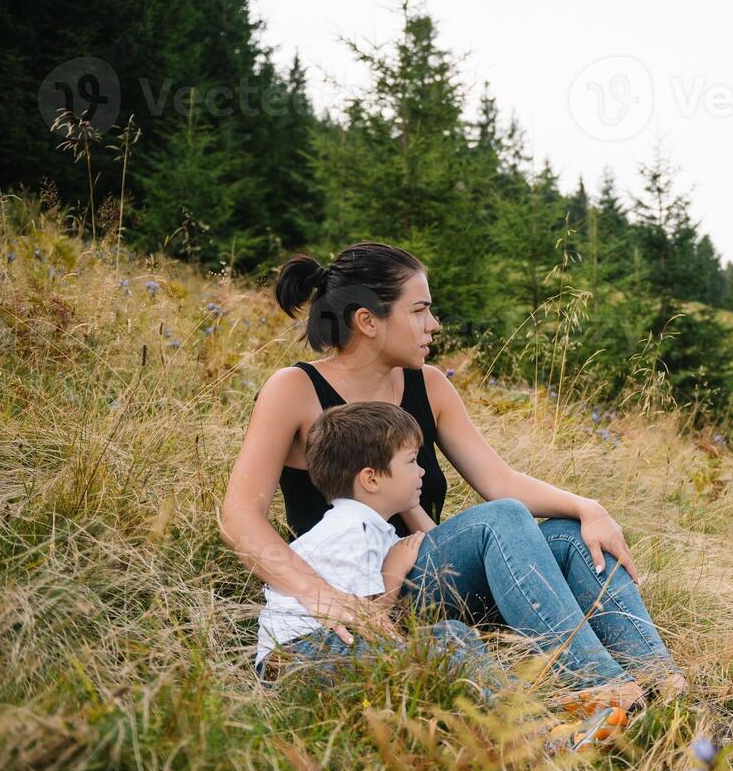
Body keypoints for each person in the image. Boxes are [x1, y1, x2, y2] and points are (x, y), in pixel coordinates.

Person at [221, 242, 686, 712]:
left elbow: (499, 479)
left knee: (570, 536)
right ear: (367, 321)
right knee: (497, 520)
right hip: (360, 595)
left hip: (431, 577)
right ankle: (599, 688)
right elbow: (239, 516)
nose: (434, 325)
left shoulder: (430, 385)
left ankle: (664, 691)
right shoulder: (294, 388)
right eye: (420, 310)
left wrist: (589, 507)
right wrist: (320, 595)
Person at [254, 401, 510, 706]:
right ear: (371, 479)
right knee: (429, 664)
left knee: (451, 634)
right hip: (301, 655)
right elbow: (370, 620)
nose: (422, 471)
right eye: (412, 461)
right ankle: (519, 724)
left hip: (327, 646)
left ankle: (519, 703)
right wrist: (394, 572)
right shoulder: (350, 530)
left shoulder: (372, 527)